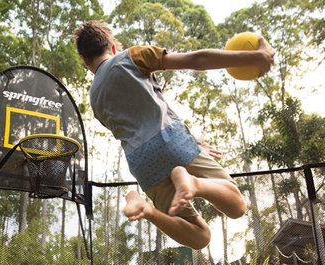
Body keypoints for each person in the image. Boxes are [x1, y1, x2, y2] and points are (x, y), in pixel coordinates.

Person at [73, 20, 275, 249]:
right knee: (237, 206)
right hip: (171, 140)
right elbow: (197, 60)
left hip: (142, 164)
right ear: (112, 48)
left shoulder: (94, 99)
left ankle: (146, 210)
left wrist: (194, 146)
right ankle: (194, 184)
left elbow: (135, 126)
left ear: (85, 59)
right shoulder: (130, 57)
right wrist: (254, 57)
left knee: (200, 238)